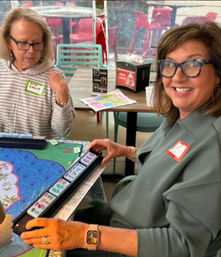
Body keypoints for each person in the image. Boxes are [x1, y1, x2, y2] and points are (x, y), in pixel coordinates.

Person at [21, 21, 221, 257]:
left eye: (192, 65)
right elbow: (174, 162)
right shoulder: (181, 115)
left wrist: (83, 236)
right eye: (169, 65)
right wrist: (126, 150)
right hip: (122, 217)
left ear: (218, 73)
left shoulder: (214, 145)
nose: (177, 77)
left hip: (134, 244)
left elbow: (182, 245)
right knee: (38, 220)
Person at [0, 7, 75, 139]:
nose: (31, 50)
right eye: (23, 43)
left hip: (40, 152)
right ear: (8, 42)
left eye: (36, 43)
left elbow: (62, 130)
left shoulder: (54, 76)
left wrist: (62, 95)